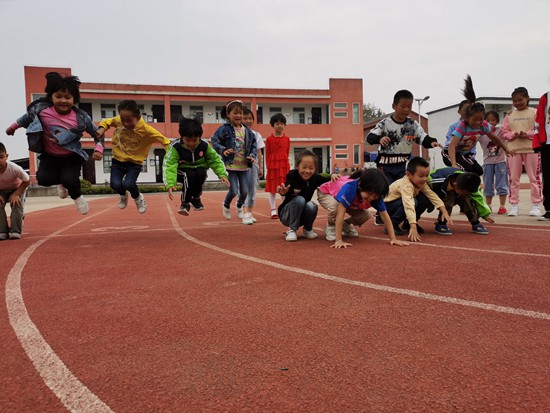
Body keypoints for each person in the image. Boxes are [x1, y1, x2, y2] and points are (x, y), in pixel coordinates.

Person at [5, 72, 102, 214]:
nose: (63, 100)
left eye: (68, 97)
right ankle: (61, 183)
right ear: (51, 97)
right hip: (49, 155)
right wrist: (13, 127)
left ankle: (77, 197)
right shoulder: (42, 110)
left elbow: (98, 134)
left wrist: (98, 149)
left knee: (69, 179)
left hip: (71, 156)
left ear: (74, 99)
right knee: (43, 179)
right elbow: (26, 118)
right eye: (58, 96)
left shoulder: (81, 117)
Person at [366, 89, 441, 224]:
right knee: (387, 192)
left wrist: (432, 142)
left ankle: (406, 220)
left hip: (403, 166)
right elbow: (370, 137)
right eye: (403, 106)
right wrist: (380, 138)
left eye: (409, 107)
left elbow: (423, 137)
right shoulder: (385, 123)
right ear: (394, 106)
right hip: (385, 166)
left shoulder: (412, 124)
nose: (406, 109)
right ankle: (382, 214)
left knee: (406, 192)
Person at [96, 100, 170, 214]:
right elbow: (106, 121)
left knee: (128, 184)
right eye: (123, 120)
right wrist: (102, 128)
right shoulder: (119, 121)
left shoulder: (146, 130)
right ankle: (123, 195)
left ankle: (138, 198)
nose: (125, 123)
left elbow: (165, 141)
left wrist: (174, 157)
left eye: (129, 121)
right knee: (114, 184)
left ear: (138, 117)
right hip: (118, 160)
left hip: (134, 163)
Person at [317, 168, 409, 248]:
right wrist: (338, 240)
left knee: (366, 215)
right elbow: (341, 214)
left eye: (374, 196)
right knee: (336, 207)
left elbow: (385, 216)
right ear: (361, 185)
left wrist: (393, 239)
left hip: (346, 200)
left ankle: (345, 225)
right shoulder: (350, 189)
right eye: (369, 194)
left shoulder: (375, 195)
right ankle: (331, 226)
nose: (371, 199)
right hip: (327, 192)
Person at [447, 75, 512, 176]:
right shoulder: (462, 126)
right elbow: (452, 145)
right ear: (467, 118)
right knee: (467, 168)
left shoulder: (483, 126)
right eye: (475, 120)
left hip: (466, 154)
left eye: (481, 119)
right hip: (450, 153)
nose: (478, 123)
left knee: (478, 171)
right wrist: (453, 164)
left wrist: (506, 149)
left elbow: (494, 138)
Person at [163, 116, 229, 215]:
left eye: (194, 140)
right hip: (181, 171)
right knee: (189, 175)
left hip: (197, 169)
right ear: (182, 137)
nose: (191, 143)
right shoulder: (175, 147)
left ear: (199, 137)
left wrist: (222, 174)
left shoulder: (204, 145)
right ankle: (185, 204)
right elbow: (169, 165)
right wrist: (170, 183)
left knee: (201, 173)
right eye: (188, 140)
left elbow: (214, 160)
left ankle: (196, 198)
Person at [211, 100, 257, 224]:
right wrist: (223, 150)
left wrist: (252, 155)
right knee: (234, 190)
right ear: (228, 115)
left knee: (245, 191)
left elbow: (253, 145)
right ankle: (226, 205)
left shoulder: (247, 131)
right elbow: (214, 140)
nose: (239, 116)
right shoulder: (224, 129)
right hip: (231, 165)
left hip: (243, 166)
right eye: (235, 113)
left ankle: (239, 205)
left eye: (240, 113)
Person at [384, 157, 452, 242]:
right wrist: (414, 226)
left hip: (400, 204)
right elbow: (408, 205)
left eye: (427, 175)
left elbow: (432, 195)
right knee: (413, 202)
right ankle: (391, 224)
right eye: (421, 176)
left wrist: (444, 210)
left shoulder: (421, 183)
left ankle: (407, 224)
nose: (424, 179)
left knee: (424, 199)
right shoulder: (406, 185)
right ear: (409, 174)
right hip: (388, 206)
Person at [276, 150, 338, 242]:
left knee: (312, 205)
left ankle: (307, 229)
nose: (307, 171)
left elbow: (328, 179)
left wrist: (333, 175)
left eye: (311, 168)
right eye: (304, 167)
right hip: (287, 215)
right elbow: (286, 187)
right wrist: (283, 192)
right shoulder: (292, 176)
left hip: (301, 216)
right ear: (297, 166)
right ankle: (292, 230)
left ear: (315, 168)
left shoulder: (315, 178)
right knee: (300, 199)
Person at [501, 87, 542, 217]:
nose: (518, 103)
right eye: (515, 100)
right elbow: (504, 132)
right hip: (513, 150)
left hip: (532, 149)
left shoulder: (535, 113)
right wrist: (514, 134)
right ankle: (514, 205)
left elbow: (539, 129)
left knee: (534, 178)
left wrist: (527, 134)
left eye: (520, 100)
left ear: (527, 98)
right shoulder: (509, 115)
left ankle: (536, 205)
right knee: (514, 179)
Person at [428, 167, 494, 235]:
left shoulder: (470, 183)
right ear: (455, 185)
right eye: (465, 192)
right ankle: (441, 223)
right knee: (450, 196)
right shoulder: (434, 180)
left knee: (465, 198)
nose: (468, 194)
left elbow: (479, 198)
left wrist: (485, 214)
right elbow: (425, 190)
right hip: (434, 194)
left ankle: (475, 223)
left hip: (451, 192)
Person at [479, 111, 509, 214]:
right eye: (488, 120)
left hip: (500, 162)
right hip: (487, 164)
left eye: (493, 120)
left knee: (502, 184)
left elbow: (508, 126)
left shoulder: (500, 131)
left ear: (497, 121)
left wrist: (508, 116)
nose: (490, 122)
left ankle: (502, 206)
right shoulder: (481, 134)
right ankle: (488, 205)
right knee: (488, 185)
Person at [0, 142, 30, 239]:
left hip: (17, 188)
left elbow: (27, 180)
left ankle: (15, 230)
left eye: (1, 157)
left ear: (6, 156)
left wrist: (17, 193)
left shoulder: (14, 168)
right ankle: (2, 230)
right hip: (1, 190)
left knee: (15, 203)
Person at [264, 113, 290, 219]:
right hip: (273, 167)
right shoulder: (269, 139)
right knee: (272, 189)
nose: (279, 126)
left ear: (284, 125)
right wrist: (268, 166)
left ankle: (283, 209)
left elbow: (287, 153)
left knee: (284, 188)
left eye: (282, 124)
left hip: (284, 166)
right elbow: (268, 153)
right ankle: (273, 210)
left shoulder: (287, 139)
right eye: (277, 123)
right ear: (272, 125)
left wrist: (285, 165)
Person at [242, 108, 265, 224]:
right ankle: (245, 213)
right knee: (244, 189)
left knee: (252, 189)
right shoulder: (236, 134)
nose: (248, 120)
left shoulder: (256, 135)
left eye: (250, 118)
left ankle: (249, 213)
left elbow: (260, 153)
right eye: (245, 118)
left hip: (253, 166)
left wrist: (260, 168)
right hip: (241, 166)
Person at [533, 91, 550, 221]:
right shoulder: (545, 97)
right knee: (548, 178)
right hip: (547, 144)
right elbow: (538, 120)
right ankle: (549, 209)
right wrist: (538, 141)